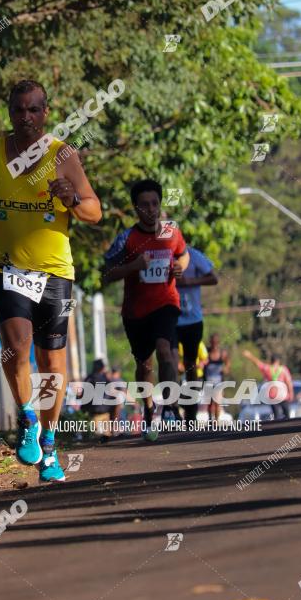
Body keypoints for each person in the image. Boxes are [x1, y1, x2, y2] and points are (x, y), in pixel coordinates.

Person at [0, 80, 101, 482]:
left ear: (45, 113)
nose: (25, 117)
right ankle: (27, 416)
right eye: (18, 110)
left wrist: (72, 199)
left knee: (51, 361)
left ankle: (49, 442)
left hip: (54, 270)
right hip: (4, 265)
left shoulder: (63, 156)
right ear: (10, 112)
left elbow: (95, 211)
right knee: (16, 343)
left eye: (33, 110)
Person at [102, 178, 189, 442]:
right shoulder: (126, 240)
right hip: (135, 312)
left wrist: (180, 267)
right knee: (144, 365)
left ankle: (170, 405)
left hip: (166, 303)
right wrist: (134, 267)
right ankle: (150, 409)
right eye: (144, 205)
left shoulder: (172, 232)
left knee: (166, 350)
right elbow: (105, 275)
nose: (151, 209)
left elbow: (183, 254)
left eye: (155, 203)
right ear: (135, 209)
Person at [174, 246, 218, 428]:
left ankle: (190, 414)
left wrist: (188, 281)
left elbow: (213, 278)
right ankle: (173, 409)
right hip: (168, 318)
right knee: (168, 360)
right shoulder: (157, 254)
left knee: (190, 365)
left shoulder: (194, 255)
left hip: (192, 320)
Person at [243, 350, 294, 420]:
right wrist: (291, 393)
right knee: (287, 416)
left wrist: (249, 356)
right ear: (278, 361)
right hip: (283, 396)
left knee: (276, 416)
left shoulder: (267, 369)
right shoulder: (283, 370)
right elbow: (289, 382)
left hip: (273, 396)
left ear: (271, 361)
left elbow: (258, 363)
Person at [204, 334, 230, 423]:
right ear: (210, 342)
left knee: (217, 402)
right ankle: (210, 419)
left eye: (216, 343)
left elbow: (227, 365)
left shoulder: (222, 353)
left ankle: (216, 420)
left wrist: (225, 369)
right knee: (209, 403)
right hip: (208, 381)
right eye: (213, 343)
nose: (214, 344)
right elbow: (200, 362)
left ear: (218, 343)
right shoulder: (206, 352)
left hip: (219, 381)